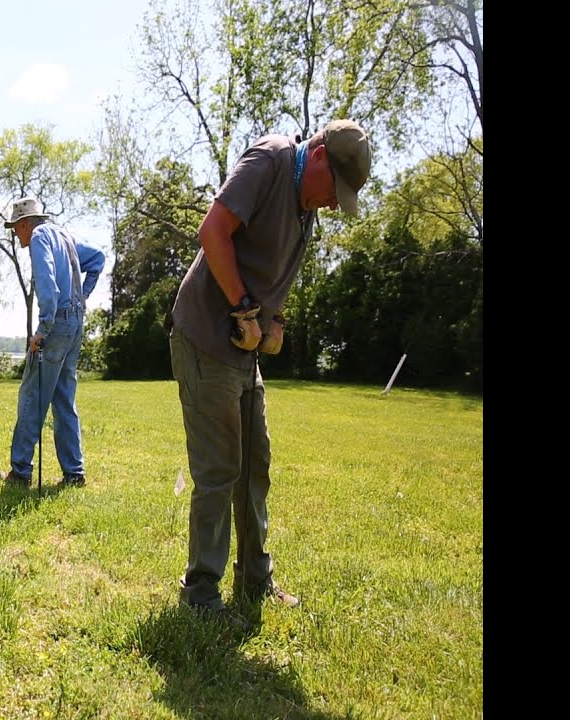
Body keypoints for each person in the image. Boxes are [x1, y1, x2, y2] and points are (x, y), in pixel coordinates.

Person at [169, 119, 372, 623]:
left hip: (244, 350)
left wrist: (274, 320)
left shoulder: (307, 209)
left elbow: (277, 277)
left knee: (255, 462)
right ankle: (201, 594)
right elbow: (213, 231)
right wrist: (243, 309)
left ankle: (254, 577)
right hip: (205, 336)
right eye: (335, 190)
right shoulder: (270, 161)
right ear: (319, 156)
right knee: (219, 469)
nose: (333, 203)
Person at [0, 197, 104, 488]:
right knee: (64, 397)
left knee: (32, 396)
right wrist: (82, 297)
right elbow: (98, 258)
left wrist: (42, 329)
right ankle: (74, 473)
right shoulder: (64, 236)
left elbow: (48, 287)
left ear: (24, 224)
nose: (15, 234)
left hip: (56, 325)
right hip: (75, 323)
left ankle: (21, 471)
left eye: (15, 228)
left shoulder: (39, 237)